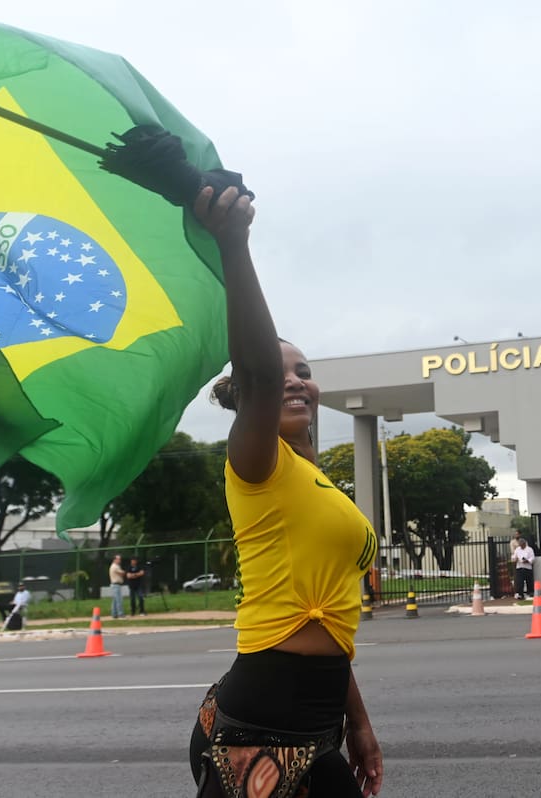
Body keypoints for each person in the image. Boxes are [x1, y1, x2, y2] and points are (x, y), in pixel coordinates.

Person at [186, 185, 382, 797]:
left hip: (318, 717)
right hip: (261, 724)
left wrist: (359, 722)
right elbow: (261, 375)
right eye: (283, 374)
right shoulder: (257, 464)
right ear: (250, 398)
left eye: (307, 371)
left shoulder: (318, 481)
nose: (296, 382)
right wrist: (233, 245)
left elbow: (331, 612)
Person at [108, 554, 126, 619]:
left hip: (115, 585)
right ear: (115, 559)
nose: (120, 560)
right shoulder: (115, 566)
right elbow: (122, 573)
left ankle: (114, 614)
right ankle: (120, 614)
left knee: (115, 601)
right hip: (116, 585)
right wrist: (124, 572)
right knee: (119, 600)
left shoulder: (115, 566)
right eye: (118, 559)